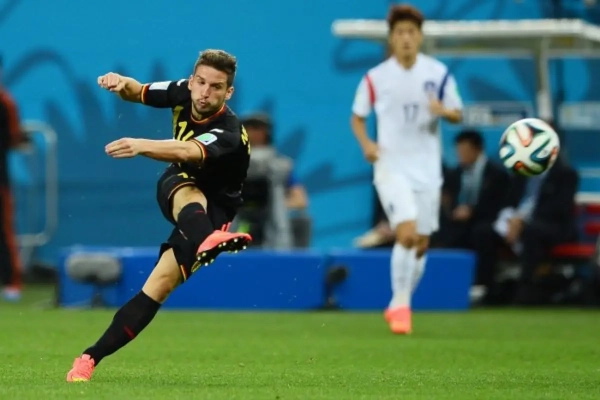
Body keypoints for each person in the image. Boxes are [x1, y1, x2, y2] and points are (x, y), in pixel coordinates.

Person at [66, 49, 252, 382]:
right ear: (192, 80)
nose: (205, 92)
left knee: (159, 286)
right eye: (201, 82)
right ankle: (207, 239)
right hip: (179, 184)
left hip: (218, 210)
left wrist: (140, 144)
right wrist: (120, 83)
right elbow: (137, 91)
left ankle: (88, 358)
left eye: (216, 87)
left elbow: (187, 149)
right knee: (186, 184)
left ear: (229, 93)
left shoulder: (230, 131)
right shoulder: (183, 90)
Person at [350, 4, 463, 334]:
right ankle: (401, 305)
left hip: (427, 169)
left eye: (411, 32)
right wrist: (367, 145)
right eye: (400, 32)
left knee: (422, 243)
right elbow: (357, 117)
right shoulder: (376, 77)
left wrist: (444, 111)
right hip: (391, 167)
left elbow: (458, 113)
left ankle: (399, 301)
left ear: (420, 37)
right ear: (392, 38)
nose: (406, 38)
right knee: (407, 233)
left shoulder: (438, 73)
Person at [0, 54, 26, 301]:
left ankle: (12, 283)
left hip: (1, 181)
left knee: (4, 230)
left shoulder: (5, 102)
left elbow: (14, 137)